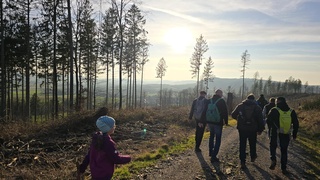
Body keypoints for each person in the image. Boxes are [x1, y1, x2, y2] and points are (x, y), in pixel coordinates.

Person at [78, 107, 131, 180]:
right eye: (113, 125)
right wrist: (128, 158)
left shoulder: (96, 139)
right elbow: (116, 159)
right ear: (109, 128)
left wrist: (83, 167)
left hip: (95, 173)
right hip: (105, 174)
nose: (114, 127)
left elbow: (89, 155)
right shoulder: (108, 143)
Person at [231, 94, 264, 170]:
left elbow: (233, 115)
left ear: (247, 99)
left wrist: (240, 120)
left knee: (242, 144)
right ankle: (253, 156)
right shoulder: (257, 107)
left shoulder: (240, 106)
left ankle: (242, 161)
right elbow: (260, 120)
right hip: (253, 129)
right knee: (252, 143)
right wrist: (260, 130)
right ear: (254, 99)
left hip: (242, 129)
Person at [267, 97, 299, 174]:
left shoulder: (274, 110)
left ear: (277, 102)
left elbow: (268, 121)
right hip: (286, 133)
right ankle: (283, 167)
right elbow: (296, 124)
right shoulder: (291, 111)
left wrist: (270, 129)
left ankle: (273, 159)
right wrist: (294, 134)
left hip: (275, 132)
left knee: (273, 146)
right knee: (284, 150)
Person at [203, 89, 228, 163]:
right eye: (221, 93)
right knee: (218, 139)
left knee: (211, 136)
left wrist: (204, 120)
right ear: (219, 94)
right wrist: (226, 121)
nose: (222, 94)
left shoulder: (209, 100)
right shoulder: (221, 101)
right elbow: (225, 112)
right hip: (218, 122)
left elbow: (205, 110)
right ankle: (214, 156)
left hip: (210, 122)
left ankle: (211, 152)